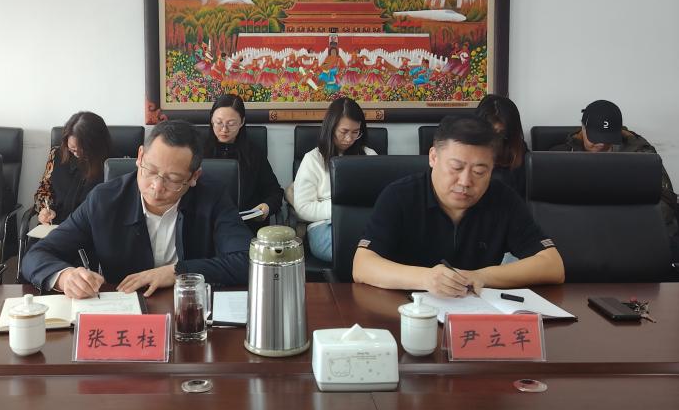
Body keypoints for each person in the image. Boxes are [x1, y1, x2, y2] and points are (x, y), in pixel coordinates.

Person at [21, 120, 251, 298]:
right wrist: (65, 277)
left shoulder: (213, 197)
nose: (156, 186)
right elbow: (36, 255)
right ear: (140, 156)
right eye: (150, 170)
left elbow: (247, 260)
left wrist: (178, 272)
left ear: (194, 177)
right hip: (125, 310)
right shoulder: (104, 200)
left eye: (173, 179)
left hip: (191, 310)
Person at [353, 115, 564, 296]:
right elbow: (362, 265)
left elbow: (553, 265)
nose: (465, 181)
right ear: (433, 157)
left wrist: (481, 276)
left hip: (474, 314)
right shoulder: (399, 196)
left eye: (479, 172)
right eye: (456, 167)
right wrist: (426, 278)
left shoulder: (503, 199)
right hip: (405, 313)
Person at [551, 99, 679, 272]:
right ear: (583, 129)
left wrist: (635, 226)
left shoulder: (641, 154)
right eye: (595, 138)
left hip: (639, 234)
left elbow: (665, 200)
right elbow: (552, 209)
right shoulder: (561, 156)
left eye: (607, 138)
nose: (601, 144)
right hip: (585, 235)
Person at [290, 97, 375, 262]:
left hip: (364, 224)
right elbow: (303, 208)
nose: (349, 139)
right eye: (344, 132)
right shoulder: (313, 159)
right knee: (357, 253)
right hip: (325, 227)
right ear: (331, 128)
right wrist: (340, 209)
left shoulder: (369, 156)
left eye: (355, 132)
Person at [203, 95, 283, 235]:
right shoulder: (198, 150)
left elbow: (275, 192)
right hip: (207, 225)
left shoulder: (253, 153)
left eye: (231, 123)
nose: (224, 129)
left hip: (244, 226)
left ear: (242, 122)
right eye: (219, 122)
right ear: (211, 120)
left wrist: (267, 207)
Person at [34, 112, 115, 226]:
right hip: (55, 225)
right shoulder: (57, 155)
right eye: (72, 149)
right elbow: (44, 190)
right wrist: (45, 210)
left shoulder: (113, 164)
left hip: (90, 228)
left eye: (83, 150)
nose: (77, 154)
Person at [475, 94, 528, 199]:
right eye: (490, 133)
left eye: (501, 134)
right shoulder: (467, 148)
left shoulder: (517, 149)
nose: (495, 140)